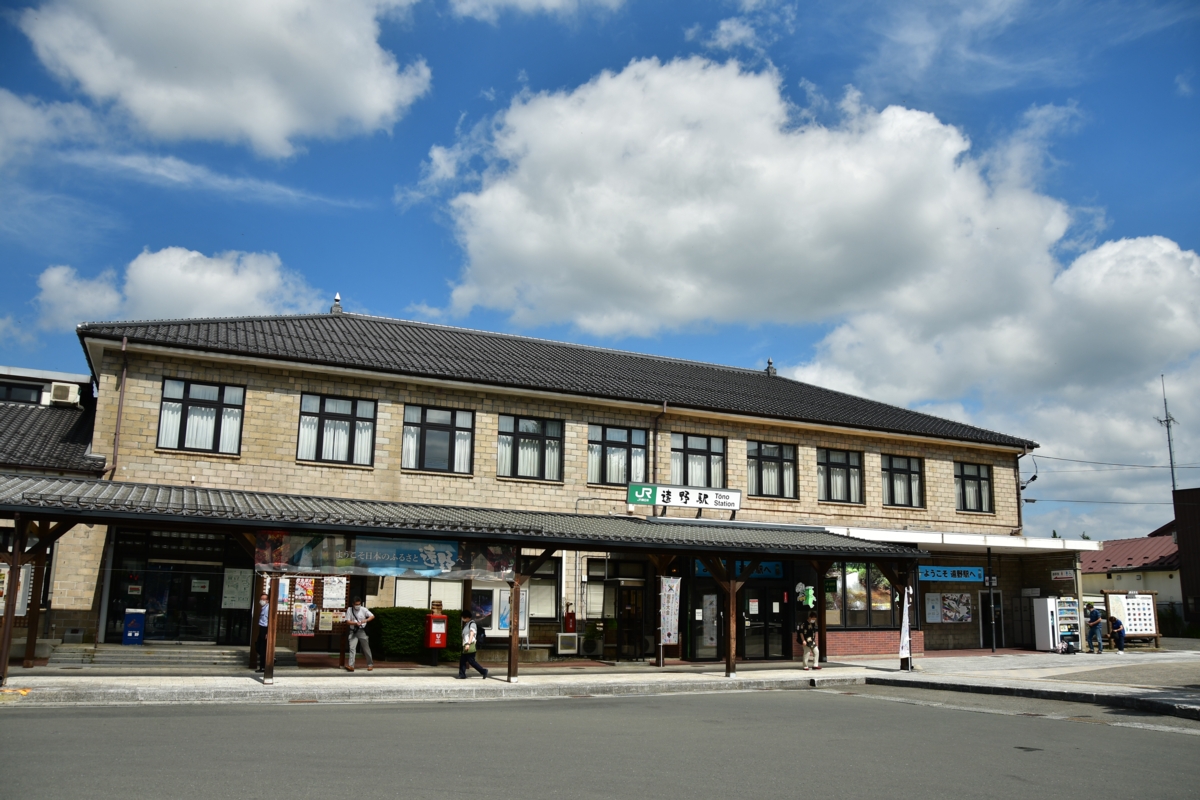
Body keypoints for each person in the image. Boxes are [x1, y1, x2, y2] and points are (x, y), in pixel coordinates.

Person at [345, 596, 375, 672]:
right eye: (356, 604)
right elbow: (348, 622)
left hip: (362, 631)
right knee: (352, 648)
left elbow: (372, 616)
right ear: (353, 604)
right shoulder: (349, 610)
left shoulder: (363, 609)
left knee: (366, 648)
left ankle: (370, 664)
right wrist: (355, 623)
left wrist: (366, 620)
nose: (357, 606)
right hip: (353, 631)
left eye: (359, 604)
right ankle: (351, 665)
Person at [457, 611, 488, 680]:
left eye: (463, 617)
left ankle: (483, 671)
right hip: (466, 645)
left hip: (470, 645)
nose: (462, 618)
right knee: (462, 660)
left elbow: (471, 634)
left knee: (471, 661)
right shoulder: (467, 624)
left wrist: (468, 644)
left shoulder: (472, 624)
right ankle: (462, 674)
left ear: (467, 617)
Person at [254, 592, 269, 673]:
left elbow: (270, 620)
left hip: (265, 628)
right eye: (261, 599)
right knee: (258, 647)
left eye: (264, 599)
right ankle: (271, 659)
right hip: (261, 628)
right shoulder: (263, 607)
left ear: (267, 600)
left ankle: (263, 667)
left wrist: (268, 633)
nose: (262, 600)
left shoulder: (268, 608)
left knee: (262, 648)